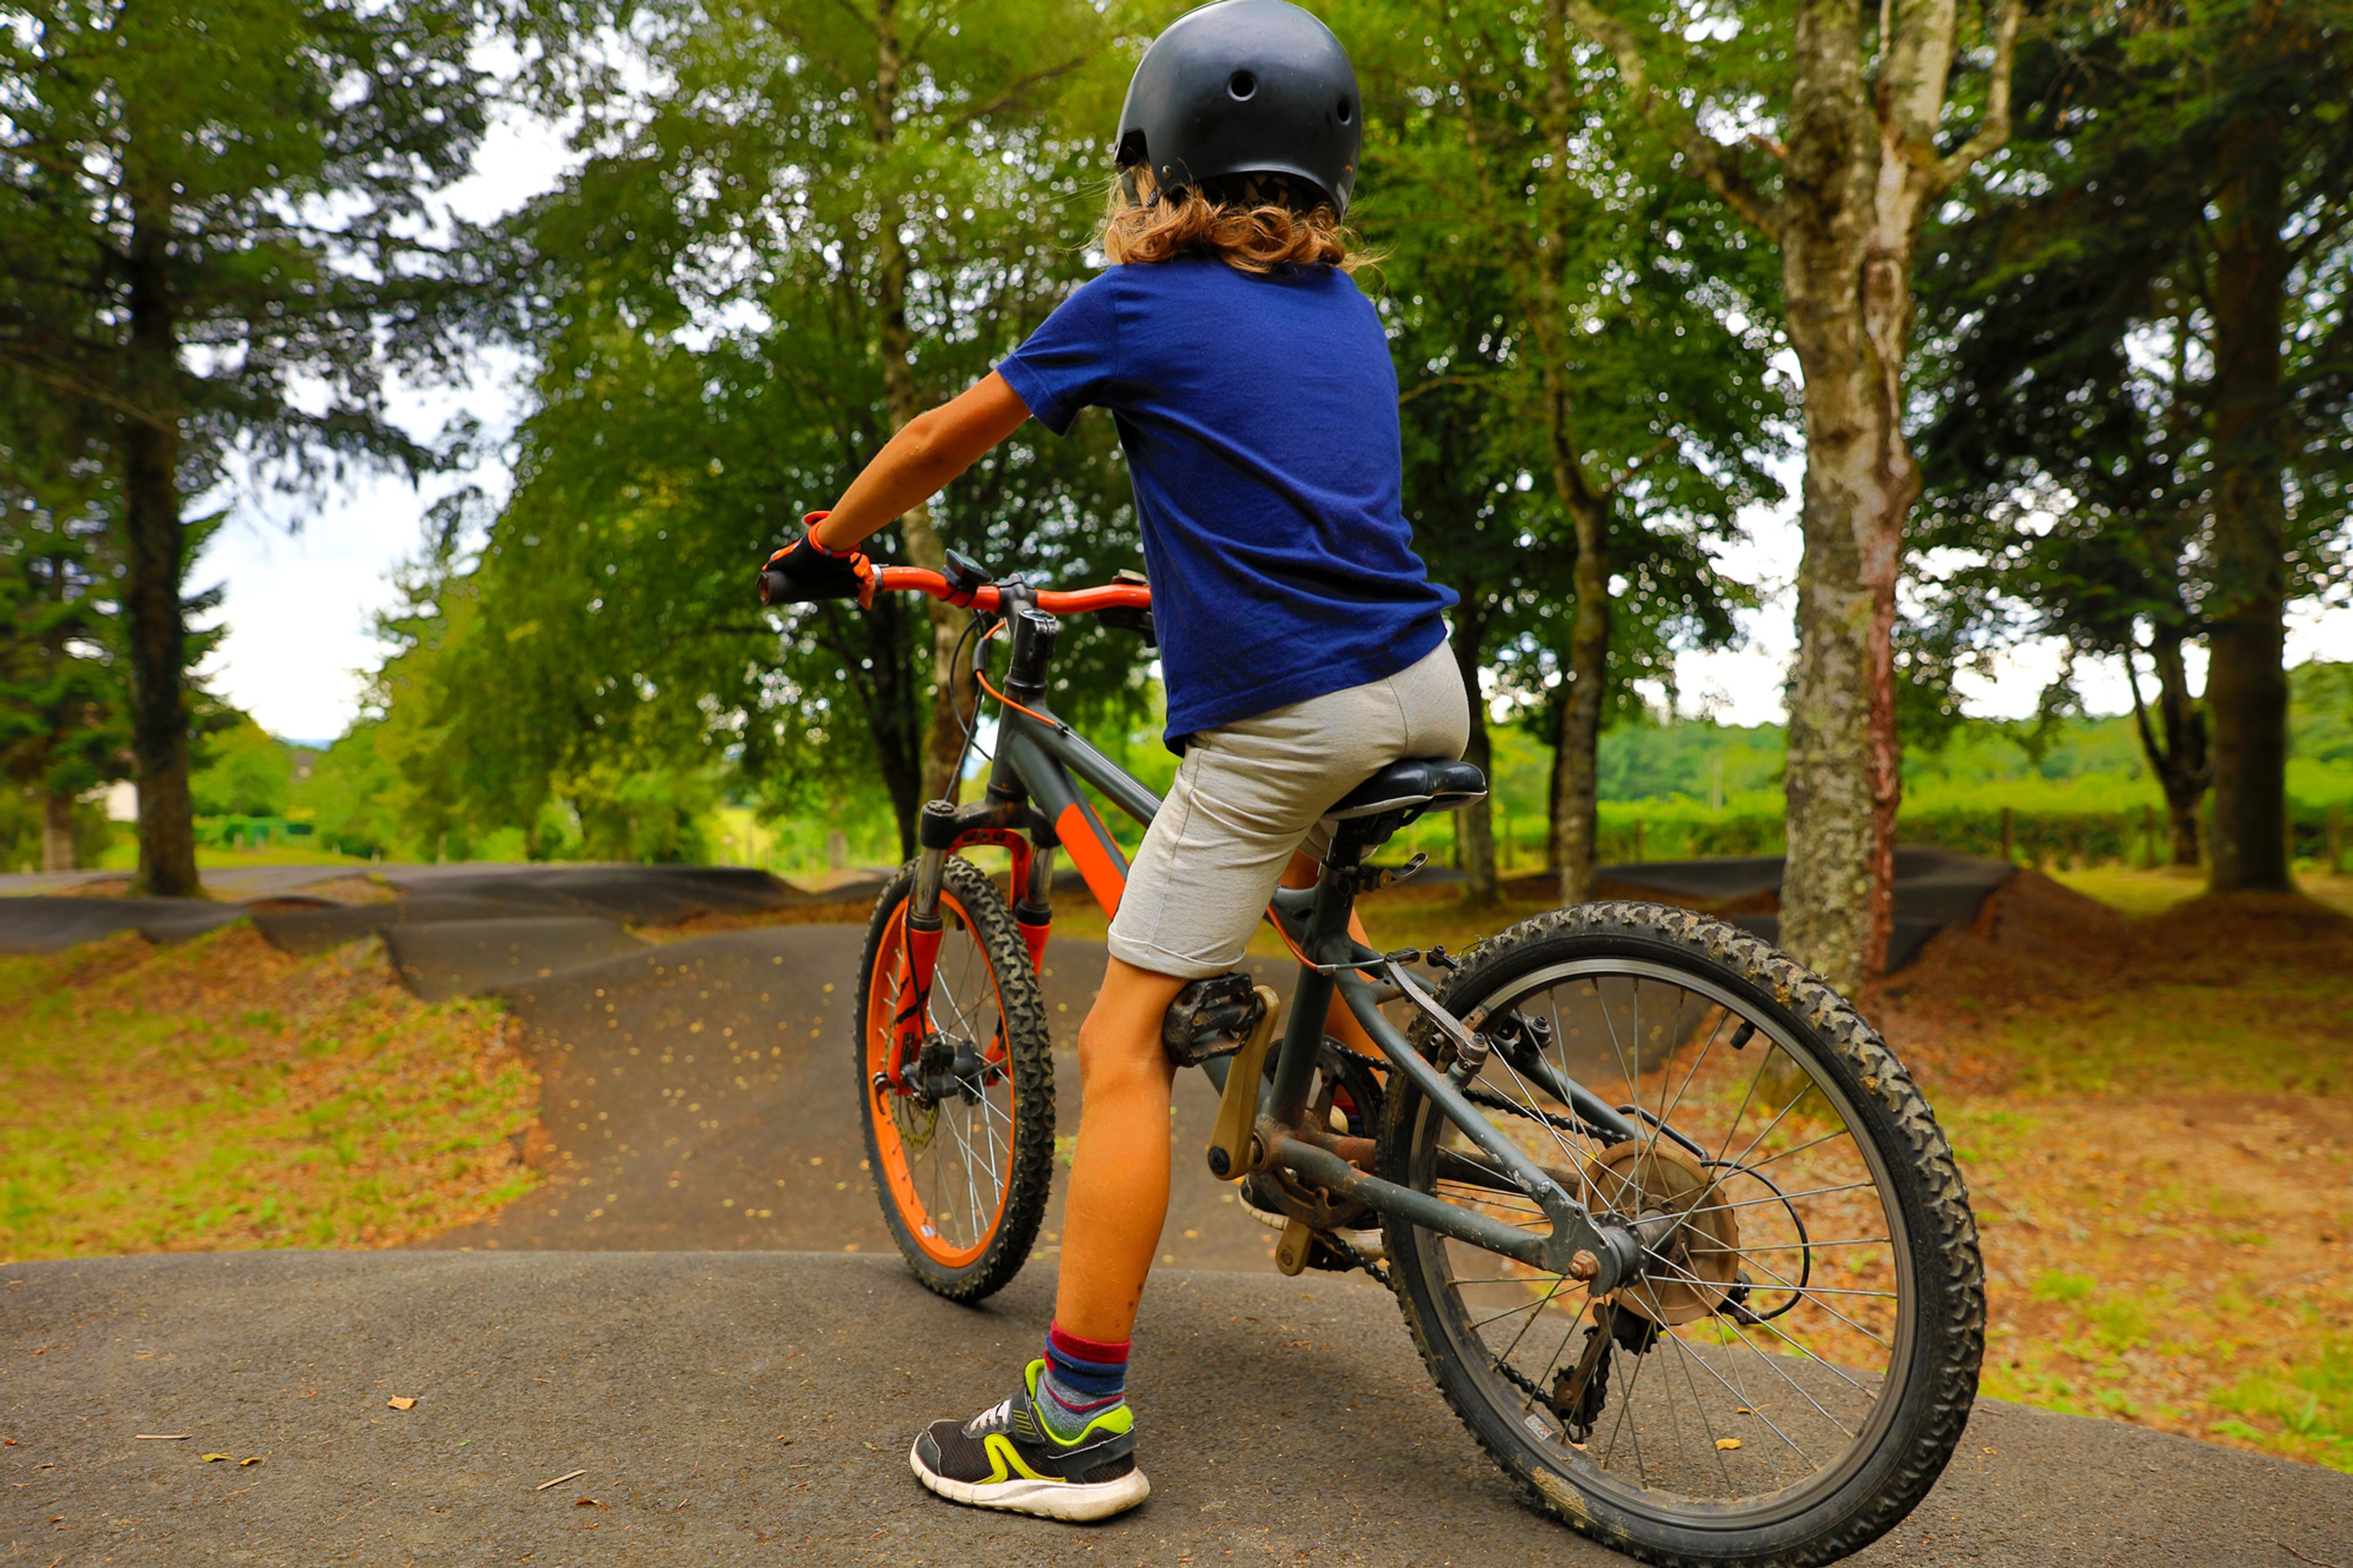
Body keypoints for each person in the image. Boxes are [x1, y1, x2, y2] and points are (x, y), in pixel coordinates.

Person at [757, 0, 1466, 1522]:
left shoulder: (1136, 306)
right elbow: (1298, 495)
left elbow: (949, 435)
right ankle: (1340, 1091)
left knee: (1117, 1038)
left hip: (1297, 709)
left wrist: (829, 543)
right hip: (1426, 681)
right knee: (1290, 859)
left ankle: (1074, 1421)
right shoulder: (1350, 315)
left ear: (1164, 160)